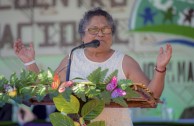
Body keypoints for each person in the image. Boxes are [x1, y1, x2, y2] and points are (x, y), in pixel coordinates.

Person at [14, 7, 172, 126]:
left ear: (112, 35)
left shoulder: (124, 62)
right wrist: (29, 62)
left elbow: (152, 97)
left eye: (105, 29)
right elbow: (47, 89)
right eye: (93, 30)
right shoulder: (72, 58)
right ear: (82, 36)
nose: (100, 34)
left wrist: (160, 68)